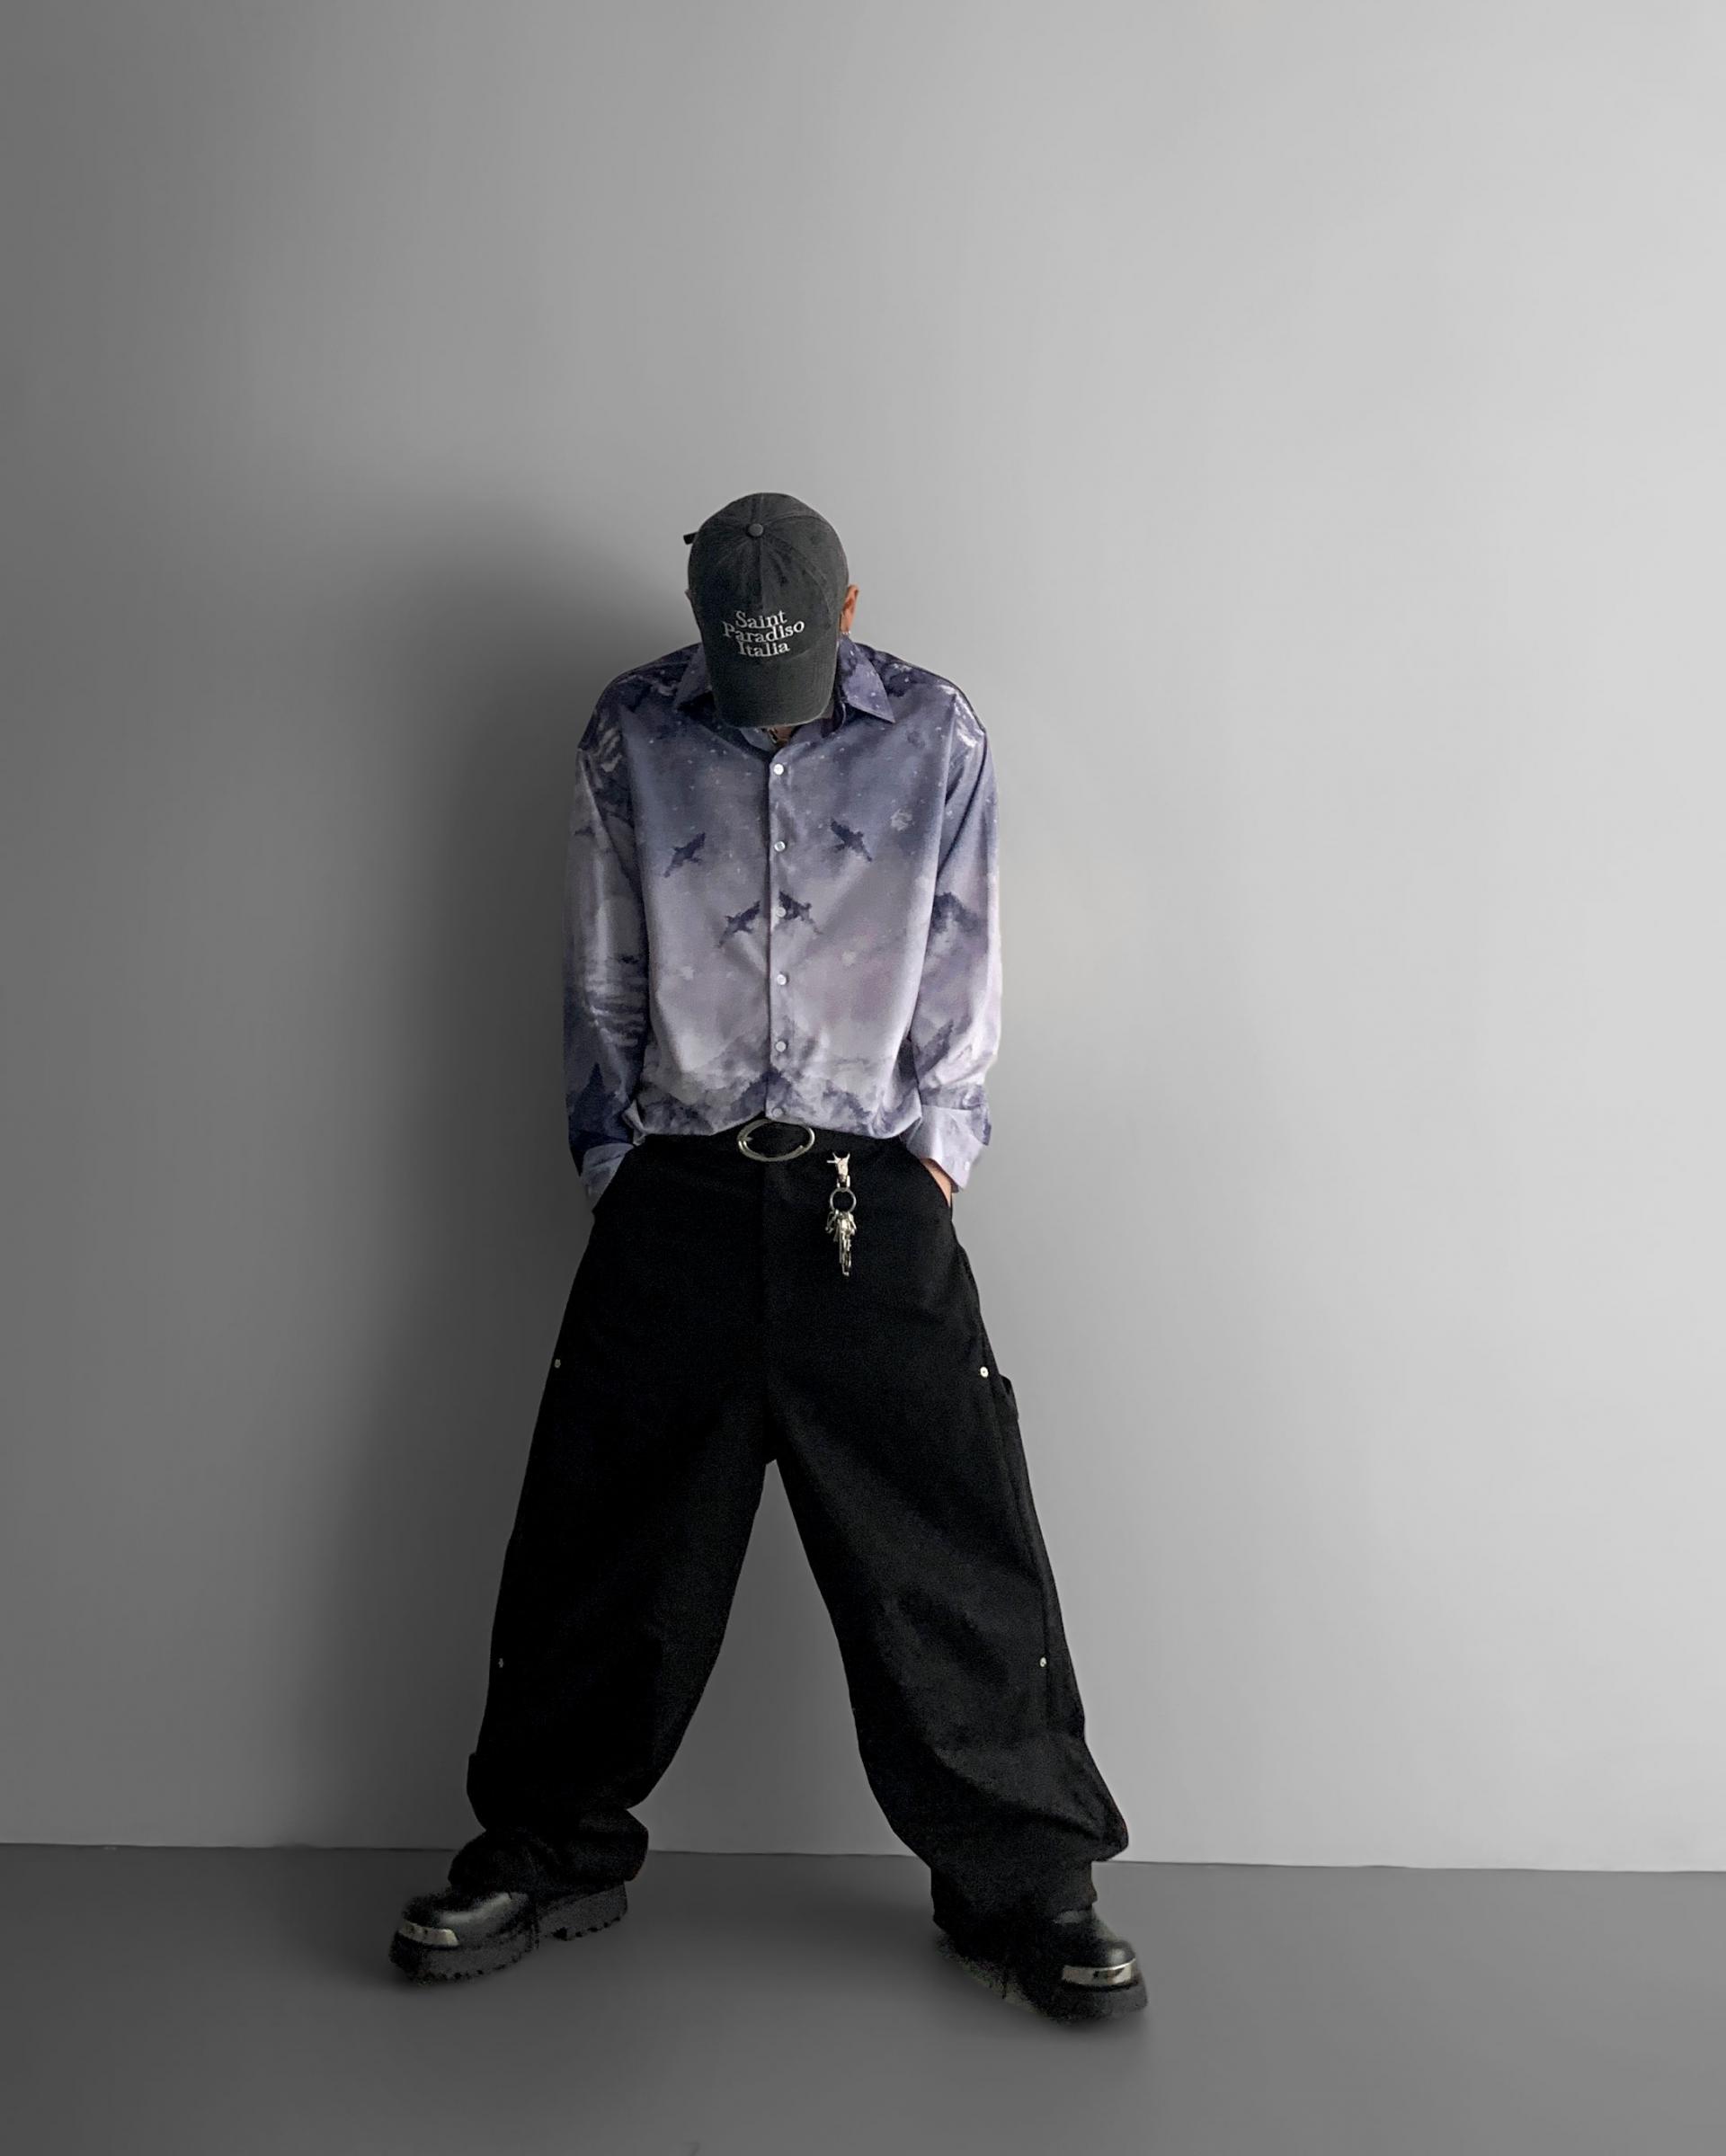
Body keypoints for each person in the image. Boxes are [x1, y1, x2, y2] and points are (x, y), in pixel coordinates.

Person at [387, 492, 1144, 2022]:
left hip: (873, 1193)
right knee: (607, 1538)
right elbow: (599, 960)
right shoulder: (630, 731)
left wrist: (934, 1159)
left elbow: (966, 955)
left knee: (947, 1544)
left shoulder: (935, 735)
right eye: (742, 671)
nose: (770, 708)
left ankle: (1022, 1882)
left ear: (848, 614)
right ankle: (547, 1847)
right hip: (676, 1187)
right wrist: (618, 1166)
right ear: (701, 633)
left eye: (792, 668)